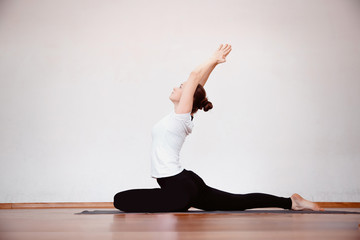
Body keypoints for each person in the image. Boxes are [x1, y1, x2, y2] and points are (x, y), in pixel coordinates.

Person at [113, 44, 324, 213]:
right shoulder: (179, 115)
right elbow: (196, 85)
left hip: (179, 188)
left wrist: (212, 59)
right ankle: (291, 202)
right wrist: (214, 65)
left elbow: (194, 77)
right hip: (184, 183)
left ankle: (290, 202)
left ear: (186, 96)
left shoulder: (180, 118)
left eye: (180, 87)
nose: (176, 87)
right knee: (237, 202)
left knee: (120, 200)